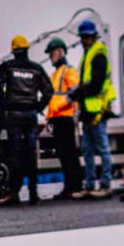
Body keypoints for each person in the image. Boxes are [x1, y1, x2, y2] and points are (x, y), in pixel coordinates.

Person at [0, 34, 51, 204]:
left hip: (14, 115)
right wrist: (38, 107)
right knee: (31, 154)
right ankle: (33, 194)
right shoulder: (36, 68)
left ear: (13, 51)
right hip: (30, 115)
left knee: (15, 154)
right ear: (27, 49)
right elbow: (48, 90)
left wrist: (4, 104)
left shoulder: (7, 66)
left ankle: (15, 194)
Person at [71, 18, 116, 197]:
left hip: (97, 110)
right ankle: (89, 186)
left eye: (87, 37)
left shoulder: (98, 54)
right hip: (88, 110)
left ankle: (105, 185)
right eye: (83, 37)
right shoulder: (89, 54)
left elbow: (96, 84)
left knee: (102, 149)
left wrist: (76, 93)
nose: (85, 40)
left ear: (93, 37)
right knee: (88, 150)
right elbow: (88, 82)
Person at [44, 37, 84, 198]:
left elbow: (74, 92)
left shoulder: (69, 70)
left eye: (51, 53)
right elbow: (53, 98)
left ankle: (75, 186)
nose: (50, 56)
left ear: (60, 52)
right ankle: (70, 186)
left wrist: (60, 106)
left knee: (69, 154)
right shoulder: (55, 74)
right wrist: (49, 117)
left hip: (66, 118)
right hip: (57, 119)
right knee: (63, 154)